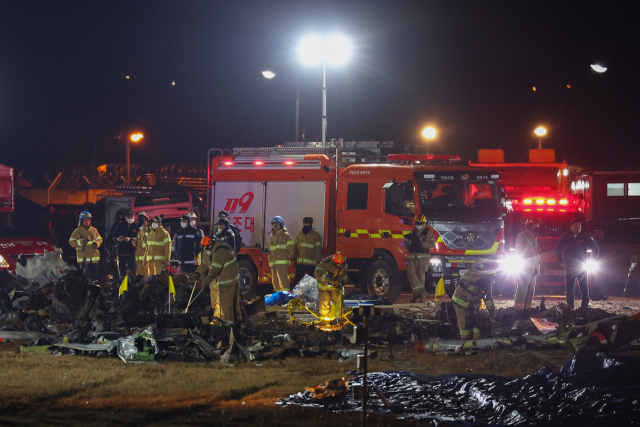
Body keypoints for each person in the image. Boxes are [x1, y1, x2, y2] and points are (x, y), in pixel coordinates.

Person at [195, 236, 242, 323]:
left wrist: (205, 283)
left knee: (226, 305)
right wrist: (198, 273)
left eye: (207, 247)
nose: (206, 250)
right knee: (219, 304)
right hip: (217, 282)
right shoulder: (209, 252)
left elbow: (214, 271)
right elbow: (204, 264)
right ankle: (232, 322)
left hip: (228, 282)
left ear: (212, 244)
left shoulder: (220, 252)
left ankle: (227, 323)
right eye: (204, 248)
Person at [555, 218, 599, 310]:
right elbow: (558, 248)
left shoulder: (585, 236)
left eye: (579, 226)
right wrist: (561, 261)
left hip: (581, 267)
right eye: (576, 226)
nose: (578, 227)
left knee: (584, 287)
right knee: (570, 288)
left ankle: (584, 306)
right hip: (569, 267)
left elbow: (595, 248)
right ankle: (570, 307)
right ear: (571, 227)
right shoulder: (566, 236)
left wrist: (592, 259)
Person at [452, 260, 497, 340]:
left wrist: (492, 311)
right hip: (461, 303)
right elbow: (463, 283)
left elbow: (488, 297)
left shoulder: (485, 281)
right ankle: (465, 343)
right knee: (465, 325)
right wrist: (477, 290)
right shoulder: (470, 274)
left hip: (473, 304)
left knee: (477, 323)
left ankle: (476, 342)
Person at [404, 214, 436, 303]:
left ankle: (418, 298)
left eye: (420, 223)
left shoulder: (428, 232)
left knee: (420, 277)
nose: (418, 225)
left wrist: (421, 244)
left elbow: (431, 244)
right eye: (417, 223)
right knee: (410, 274)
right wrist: (409, 243)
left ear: (424, 223)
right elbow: (406, 244)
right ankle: (422, 292)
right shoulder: (412, 233)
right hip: (412, 257)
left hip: (423, 258)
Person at [513, 218, 541, 309]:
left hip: (534, 269)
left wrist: (538, 264)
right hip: (524, 269)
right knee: (522, 290)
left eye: (538, 225)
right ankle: (518, 310)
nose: (537, 226)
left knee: (530, 292)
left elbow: (536, 253)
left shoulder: (534, 238)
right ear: (529, 225)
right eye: (535, 225)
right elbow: (518, 252)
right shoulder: (522, 236)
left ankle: (527, 310)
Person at [315, 252, 348, 326]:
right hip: (324, 287)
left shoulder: (343, 265)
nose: (340, 267)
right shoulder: (325, 263)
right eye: (338, 265)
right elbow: (317, 273)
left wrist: (343, 281)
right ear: (334, 262)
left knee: (339, 301)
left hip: (335, 286)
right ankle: (324, 321)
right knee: (325, 302)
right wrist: (328, 279)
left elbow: (344, 275)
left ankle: (342, 319)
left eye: (341, 265)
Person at [68, 210, 103, 281]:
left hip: (93, 260)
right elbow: (71, 242)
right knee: (84, 279)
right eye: (85, 220)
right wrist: (81, 242)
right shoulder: (77, 231)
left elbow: (100, 240)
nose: (87, 222)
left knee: (95, 279)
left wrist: (97, 244)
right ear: (81, 221)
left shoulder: (94, 230)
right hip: (83, 261)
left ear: (90, 221)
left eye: (88, 220)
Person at [292, 217, 323, 288]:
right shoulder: (300, 235)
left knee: (311, 281)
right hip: (300, 262)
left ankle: (310, 294)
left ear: (311, 224)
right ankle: (296, 294)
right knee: (297, 280)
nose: (307, 224)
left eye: (308, 223)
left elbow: (318, 249)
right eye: (306, 223)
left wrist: (317, 261)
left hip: (311, 263)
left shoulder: (316, 236)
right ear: (303, 223)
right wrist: (294, 258)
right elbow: (296, 247)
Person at [268, 216, 293, 291]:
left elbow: (290, 250)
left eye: (277, 224)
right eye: (274, 224)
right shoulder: (272, 235)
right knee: (275, 282)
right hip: (273, 263)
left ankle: (285, 298)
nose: (275, 225)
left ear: (281, 225)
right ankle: (278, 299)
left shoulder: (286, 236)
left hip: (282, 264)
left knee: (283, 282)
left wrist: (285, 258)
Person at [112, 209, 138, 277]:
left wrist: (130, 239)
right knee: (122, 273)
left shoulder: (136, 226)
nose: (130, 219)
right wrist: (117, 239)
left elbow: (139, 239)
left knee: (133, 272)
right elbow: (113, 236)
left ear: (134, 216)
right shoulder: (120, 225)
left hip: (132, 253)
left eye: (131, 217)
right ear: (125, 217)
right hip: (122, 252)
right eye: (128, 217)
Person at [132, 211, 150, 278]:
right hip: (139, 260)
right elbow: (136, 245)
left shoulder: (149, 232)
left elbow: (148, 245)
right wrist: (134, 242)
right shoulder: (139, 232)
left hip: (146, 260)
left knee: (147, 276)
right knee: (140, 277)